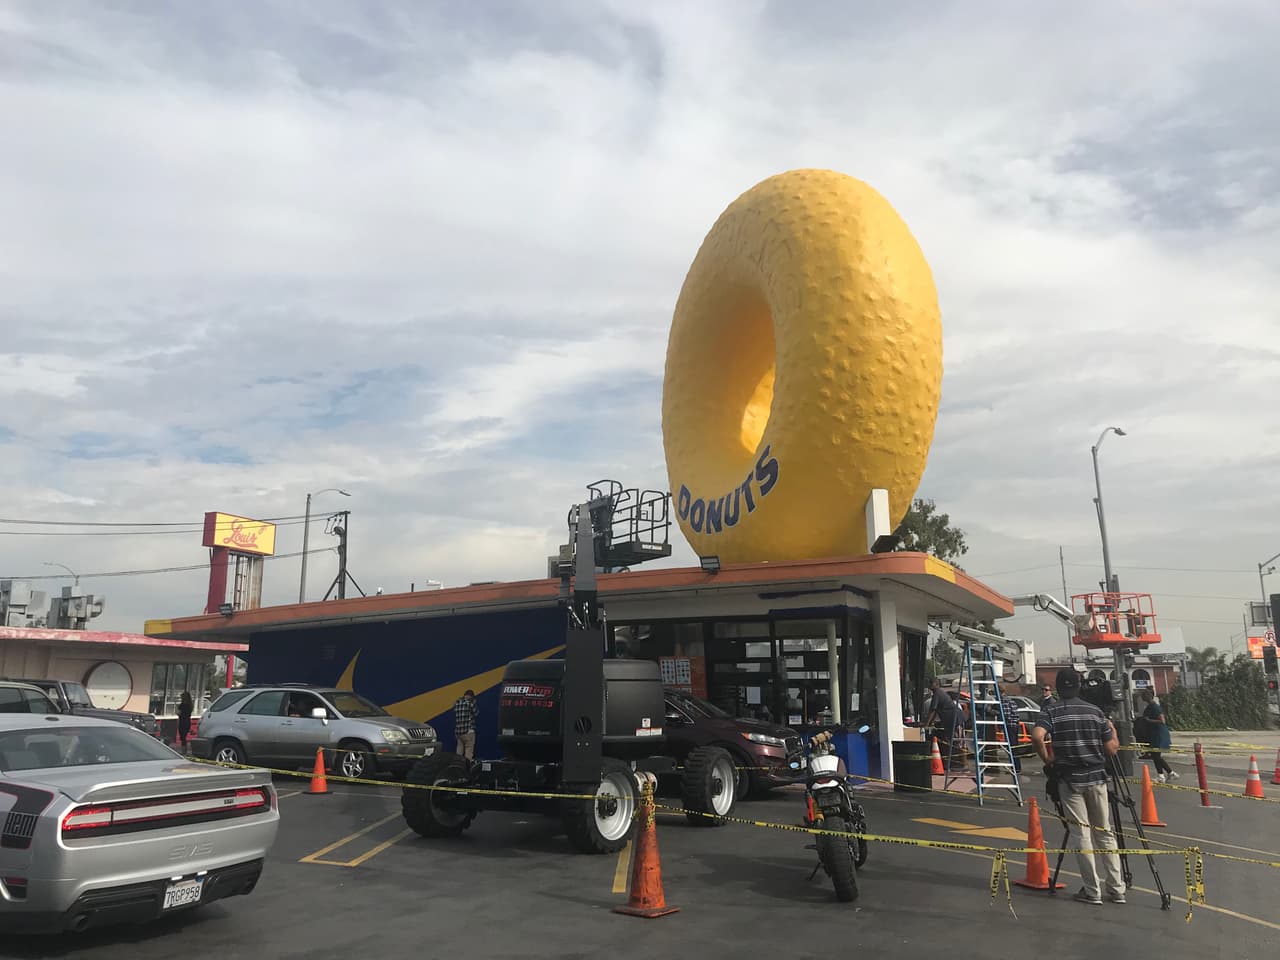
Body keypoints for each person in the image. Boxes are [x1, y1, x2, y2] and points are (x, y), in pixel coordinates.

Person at [1031, 668, 1125, 906]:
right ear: (1079, 686)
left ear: (1059, 688)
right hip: (1097, 778)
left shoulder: (1051, 710)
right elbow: (1111, 749)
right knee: (1104, 832)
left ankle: (1092, 891)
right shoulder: (1095, 711)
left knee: (1081, 834)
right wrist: (1112, 730)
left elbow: (1037, 736)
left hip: (1070, 781)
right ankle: (1116, 888)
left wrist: (1048, 760)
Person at [1139, 689, 1178, 782]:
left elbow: (1162, 721)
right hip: (1154, 734)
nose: (1142, 698)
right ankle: (1168, 773)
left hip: (1158, 734)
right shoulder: (1150, 706)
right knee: (1155, 755)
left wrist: (1149, 720)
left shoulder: (1154, 707)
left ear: (1148, 696)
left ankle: (1164, 775)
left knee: (1156, 755)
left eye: (1143, 695)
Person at [925, 678, 961, 765]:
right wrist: (929, 722)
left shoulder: (937, 694)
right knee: (950, 739)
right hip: (953, 717)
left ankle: (953, 762)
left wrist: (927, 724)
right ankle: (952, 762)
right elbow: (935, 710)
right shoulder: (939, 693)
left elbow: (933, 710)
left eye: (932, 683)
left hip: (952, 718)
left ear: (937, 684)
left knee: (950, 739)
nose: (930, 685)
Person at [453, 689, 477, 761]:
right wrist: (474, 703)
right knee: (468, 753)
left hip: (458, 732)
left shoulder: (457, 704)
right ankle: (467, 769)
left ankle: (457, 767)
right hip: (468, 732)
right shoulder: (470, 704)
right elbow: (476, 713)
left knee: (459, 752)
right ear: (471, 697)